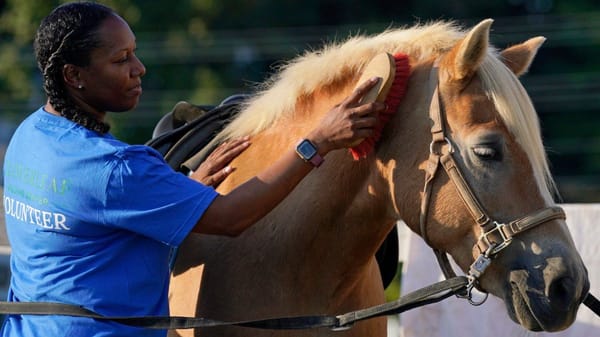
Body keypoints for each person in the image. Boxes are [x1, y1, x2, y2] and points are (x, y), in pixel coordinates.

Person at [0, 2, 385, 337]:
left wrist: (176, 196)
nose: (139, 68)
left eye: (134, 53)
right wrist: (316, 142)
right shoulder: (116, 170)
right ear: (73, 76)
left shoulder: (29, 135)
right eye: (120, 60)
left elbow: (91, 229)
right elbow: (232, 217)